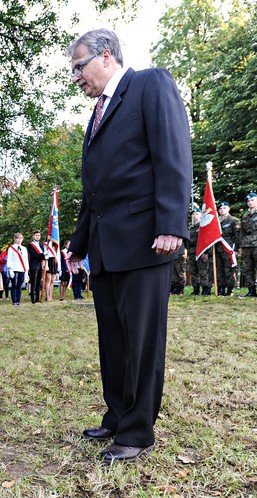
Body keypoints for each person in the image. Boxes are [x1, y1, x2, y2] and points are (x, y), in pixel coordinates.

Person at [65, 29, 191, 465]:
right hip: (106, 245)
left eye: (78, 66)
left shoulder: (150, 84)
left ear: (105, 56)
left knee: (141, 340)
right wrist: (78, 243)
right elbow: (93, 190)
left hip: (146, 240)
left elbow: (173, 154)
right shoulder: (97, 113)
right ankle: (117, 415)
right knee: (113, 337)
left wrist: (172, 222)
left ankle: (138, 432)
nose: (75, 77)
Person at [216, 201, 240, 296]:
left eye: (224, 208)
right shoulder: (216, 222)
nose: (222, 210)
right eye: (220, 208)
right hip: (218, 249)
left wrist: (237, 249)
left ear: (229, 209)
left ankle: (230, 289)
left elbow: (237, 236)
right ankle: (221, 289)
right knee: (219, 270)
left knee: (229, 270)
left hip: (229, 249)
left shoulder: (234, 220)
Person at [6, 233, 28, 305]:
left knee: (20, 285)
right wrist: (10, 269)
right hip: (14, 268)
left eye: (21, 238)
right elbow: (9, 259)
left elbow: (25, 260)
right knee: (14, 285)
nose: (19, 240)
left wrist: (26, 271)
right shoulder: (11, 248)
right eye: (17, 238)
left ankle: (18, 300)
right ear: (15, 239)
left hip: (22, 268)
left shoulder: (24, 249)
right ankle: (14, 301)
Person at [27, 230, 45, 303]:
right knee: (33, 283)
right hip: (33, 265)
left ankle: (37, 298)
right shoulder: (31, 245)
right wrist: (43, 255)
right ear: (33, 236)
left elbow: (42, 255)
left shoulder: (41, 245)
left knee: (38, 283)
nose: (37, 236)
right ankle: (32, 299)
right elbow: (33, 255)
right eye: (36, 235)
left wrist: (44, 256)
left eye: (39, 235)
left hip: (40, 265)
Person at [43, 236, 58, 301]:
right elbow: (44, 254)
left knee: (52, 280)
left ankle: (50, 296)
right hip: (48, 261)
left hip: (54, 262)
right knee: (48, 279)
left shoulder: (55, 246)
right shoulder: (45, 244)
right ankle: (47, 296)